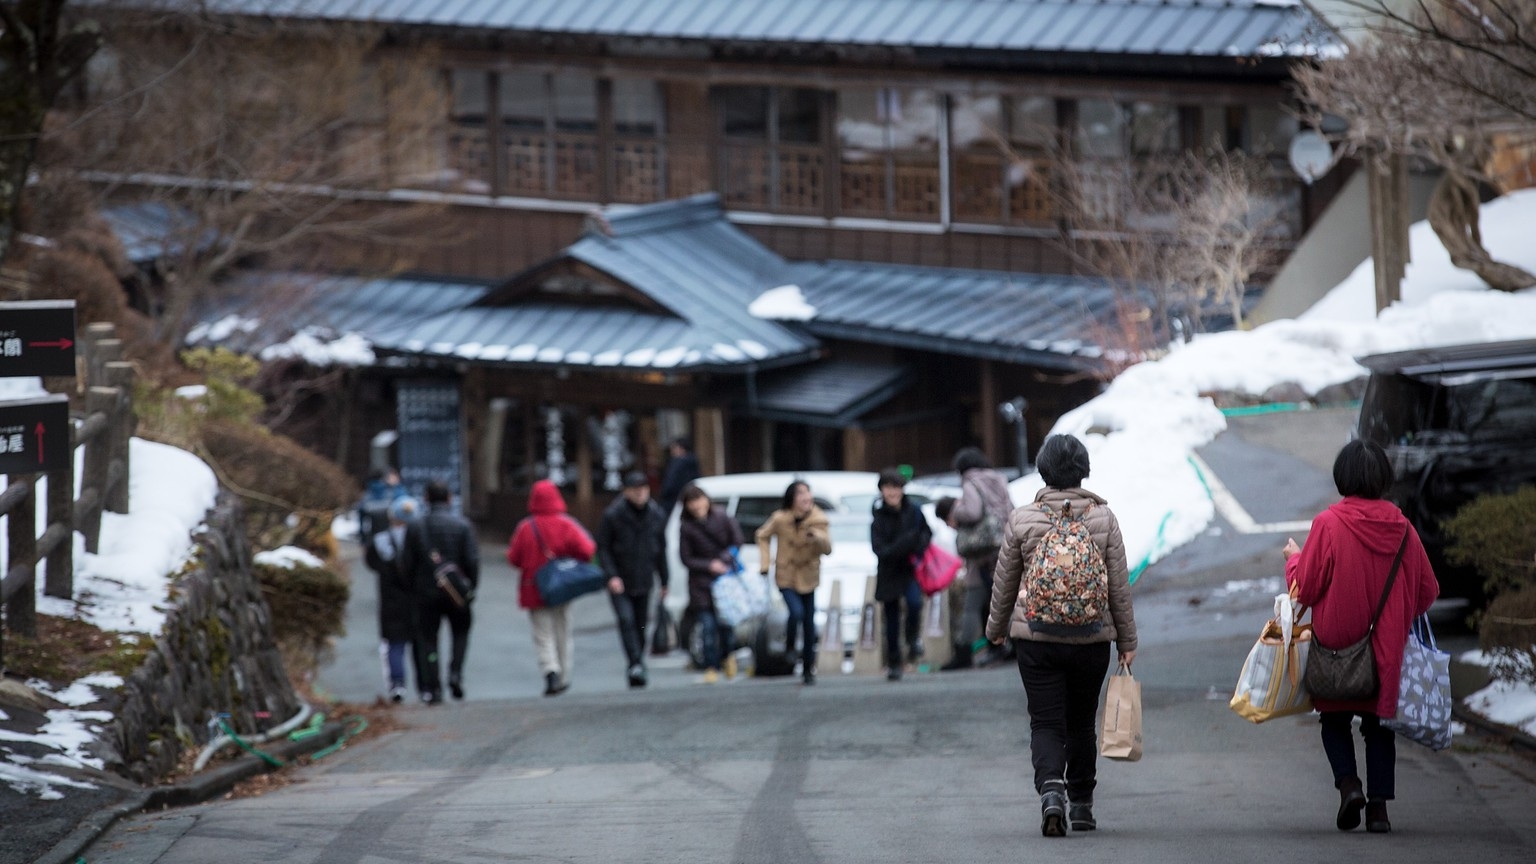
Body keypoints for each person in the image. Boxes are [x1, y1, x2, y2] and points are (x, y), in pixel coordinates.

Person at [1283, 439, 1439, 835]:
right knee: (1378, 726)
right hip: (1386, 652)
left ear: (1343, 477)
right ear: (1383, 478)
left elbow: (1307, 587)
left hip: (1337, 650)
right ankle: (1379, 810)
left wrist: (1294, 560)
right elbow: (1427, 592)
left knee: (1334, 720)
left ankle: (1350, 786)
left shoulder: (1328, 525)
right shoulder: (1403, 530)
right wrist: (1395, 613)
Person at [986, 434, 1136, 837]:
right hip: (1091, 638)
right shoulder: (1104, 519)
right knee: (1082, 722)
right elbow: (1118, 586)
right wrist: (1127, 641)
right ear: (1083, 470)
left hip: (1036, 639)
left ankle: (1052, 790)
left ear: (1043, 470)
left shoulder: (1023, 519)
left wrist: (996, 630)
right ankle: (1082, 803)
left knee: (1046, 722)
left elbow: (1005, 582)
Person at [507, 479, 597, 697]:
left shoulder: (525, 527)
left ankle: (550, 671)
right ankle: (564, 676)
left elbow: (514, 558)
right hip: (561, 587)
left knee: (543, 634)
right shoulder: (567, 524)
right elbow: (588, 550)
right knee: (562, 631)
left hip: (534, 588)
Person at [400, 480, 479, 704]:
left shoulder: (416, 526)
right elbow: (472, 561)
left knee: (428, 640)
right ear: (449, 499)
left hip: (425, 593)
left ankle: (433, 686)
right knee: (460, 634)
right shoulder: (463, 525)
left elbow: (406, 563)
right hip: (457, 592)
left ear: (426, 498)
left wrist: (412, 588)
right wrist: (470, 588)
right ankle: (455, 673)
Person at [755, 480, 832, 685]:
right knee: (796, 612)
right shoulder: (780, 518)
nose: (806, 497)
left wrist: (817, 536)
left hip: (808, 575)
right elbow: (762, 535)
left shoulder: (819, 519)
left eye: (808, 493)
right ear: (792, 498)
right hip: (786, 574)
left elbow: (828, 548)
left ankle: (808, 668)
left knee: (809, 623)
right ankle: (790, 646)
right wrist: (765, 563)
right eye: (800, 494)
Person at [597, 471, 669, 688]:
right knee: (626, 620)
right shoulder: (613, 515)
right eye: (635, 489)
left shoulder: (656, 515)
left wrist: (665, 580)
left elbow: (661, 550)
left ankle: (637, 662)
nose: (640, 493)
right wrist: (611, 575)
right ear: (626, 491)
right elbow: (603, 548)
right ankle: (635, 662)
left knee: (641, 624)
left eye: (643, 489)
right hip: (620, 578)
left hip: (644, 578)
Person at [947, 446, 1014, 670]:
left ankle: (965, 653)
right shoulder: (999, 479)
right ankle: (1011, 645)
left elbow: (973, 512)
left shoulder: (971, 483)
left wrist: (957, 511)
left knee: (975, 602)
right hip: (1002, 543)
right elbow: (1010, 508)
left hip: (982, 550)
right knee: (1003, 598)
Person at [677, 483, 743, 683]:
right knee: (707, 626)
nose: (696, 505)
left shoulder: (722, 517)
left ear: (706, 499)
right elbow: (686, 558)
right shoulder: (686, 527)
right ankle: (711, 666)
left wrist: (724, 560)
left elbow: (737, 540)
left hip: (725, 582)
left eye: (698, 499)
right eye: (691, 502)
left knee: (726, 625)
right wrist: (709, 565)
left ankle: (728, 658)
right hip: (701, 585)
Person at [870, 468, 931, 682]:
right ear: (881, 491)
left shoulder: (914, 510)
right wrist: (905, 543)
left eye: (896, 487)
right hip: (888, 572)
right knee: (892, 619)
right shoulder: (877, 517)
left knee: (914, 603)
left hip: (910, 569)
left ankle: (913, 639)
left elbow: (926, 533)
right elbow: (880, 549)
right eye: (888, 488)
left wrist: (918, 546)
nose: (892, 492)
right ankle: (894, 662)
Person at [362, 495, 421, 703]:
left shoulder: (380, 541)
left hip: (390, 599)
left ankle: (397, 684)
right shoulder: (420, 541)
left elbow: (371, 563)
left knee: (394, 644)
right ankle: (427, 686)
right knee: (421, 643)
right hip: (416, 599)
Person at [358, 466, 408, 539]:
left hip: (381, 530)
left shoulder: (400, 489)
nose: (394, 479)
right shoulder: (383, 490)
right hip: (384, 528)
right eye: (391, 476)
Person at [658, 436, 701, 515]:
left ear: (681, 448)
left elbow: (670, 485)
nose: (672, 451)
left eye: (674, 448)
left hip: (675, 502)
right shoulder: (693, 462)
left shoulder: (677, 463)